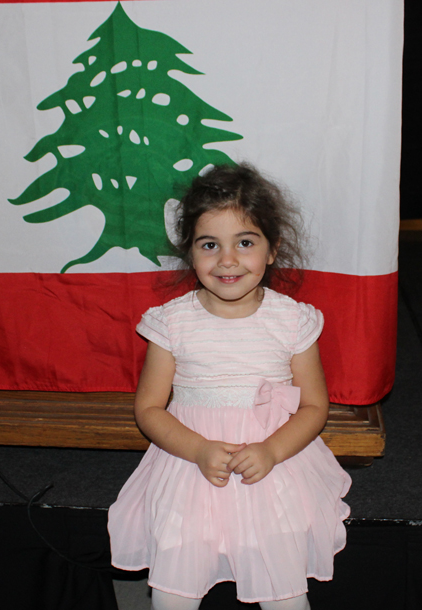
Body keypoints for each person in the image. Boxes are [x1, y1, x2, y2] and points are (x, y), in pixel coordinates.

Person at [108, 163, 351, 610]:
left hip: (274, 466)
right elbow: (149, 409)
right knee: (174, 584)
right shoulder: (172, 323)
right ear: (190, 253)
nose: (227, 259)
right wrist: (198, 449)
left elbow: (315, 406)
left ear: (272, 250)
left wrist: (273, 450)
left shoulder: (293, 320)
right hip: (190, 465)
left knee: (282, 583)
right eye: (209, 245)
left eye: (245, 242)